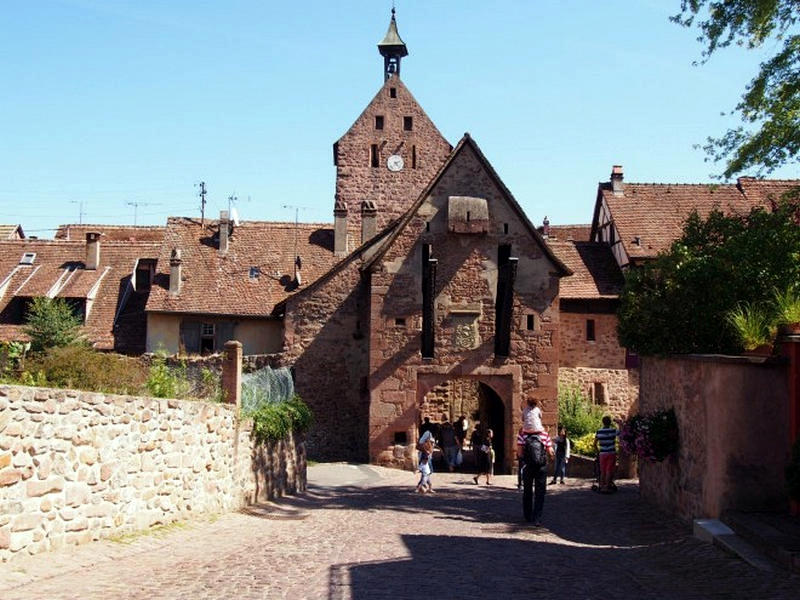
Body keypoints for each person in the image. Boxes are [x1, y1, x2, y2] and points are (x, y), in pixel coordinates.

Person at [518, 427, 553, 525]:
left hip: (528, 467)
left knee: (527, 491)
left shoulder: (523, 435)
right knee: (540, 492)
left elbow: (519, 453)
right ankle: (537, 517)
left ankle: (528, 516)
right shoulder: (545, 435)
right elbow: (550, 452)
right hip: (541, 467)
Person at [594, 416, 619, 493]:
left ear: (603, 422)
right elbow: (621, 433)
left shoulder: (599, 431)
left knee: (602, 470)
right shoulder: (613, 431)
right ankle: (607, 486)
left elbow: (594, 443)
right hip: (611, 452)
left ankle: (601, 486)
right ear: (610, 422)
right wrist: (619, 423)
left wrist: (598, 451)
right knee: (609, 470)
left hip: (602, 453)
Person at [416, 428, 436, 493]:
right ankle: (420, 486)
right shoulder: (427, 433)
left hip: (428, 456)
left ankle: (427, 487)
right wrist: (426, 452)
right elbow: (421, 442)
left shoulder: (431, 435)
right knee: (428, 472)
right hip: (426, 457)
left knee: (427, 473)